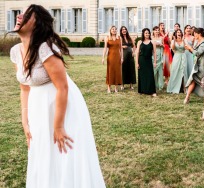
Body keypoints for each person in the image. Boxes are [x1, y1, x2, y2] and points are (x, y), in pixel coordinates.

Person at [9, 4, 106, 187]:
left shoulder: (45, 48)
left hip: (62, 107)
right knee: (43, 153)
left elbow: (63, 87)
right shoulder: (15, 52)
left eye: (27, 14)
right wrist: (25, 121)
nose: (20, 16)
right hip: (38, 108)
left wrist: (59, 126)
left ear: (37, 24)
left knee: (63, 154)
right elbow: (25, 88)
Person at [183, 28, 204, 104]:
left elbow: (198, 53)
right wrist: (189, 49)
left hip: (203, 65)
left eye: (195, 33)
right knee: (192, 79)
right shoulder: (197, 42)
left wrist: (190, 48)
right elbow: (194, 53)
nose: (194, 35)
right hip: (197, 64)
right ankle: (187, 97)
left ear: (199, 34)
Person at [136, 28, 157, 96]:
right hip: (141, 60)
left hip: (149, 60)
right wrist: (137, 63)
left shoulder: (152, 42)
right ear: (143, 34)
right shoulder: (139, 42)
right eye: (146, 33)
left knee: (150, 75)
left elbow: (154, 52)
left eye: (148, 33)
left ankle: (152, 91)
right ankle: (142, 90)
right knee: (142, 76)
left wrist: (155, 62)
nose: (147, 34)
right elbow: (137, 53)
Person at [102, 26, 123, 93]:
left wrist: (122, 57)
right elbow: (105, 48)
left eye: (115, 29)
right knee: (110, 71)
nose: (114, 30)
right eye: (113, 29)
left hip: (117, 57)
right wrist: (103, 58)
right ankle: (109, 87)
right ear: (110, 30)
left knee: (117, 71)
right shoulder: (107, 38)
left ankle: (116, 88)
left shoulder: (119, 38)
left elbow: (121, 49)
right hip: (110, 57)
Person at [167, 29, 187, 93]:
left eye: (180, 32)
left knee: (183, 72)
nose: (179, 33)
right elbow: (172, 48)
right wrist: (174, 40)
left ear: (181, 34)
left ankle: (184, 88)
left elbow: (186, 48)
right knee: (175, 71)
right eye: (178, 32)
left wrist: (183, 40)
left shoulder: (184, 40)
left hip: (183, 56)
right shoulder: (173, 41)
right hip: (176, 56)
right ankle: (173, 87)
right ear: (175, 34)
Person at [120, 26, 136, 90]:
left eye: (125, 29)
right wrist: (122, 46)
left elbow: (134, 46)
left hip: (130, 55)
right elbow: (118, 46)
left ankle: (131, 85)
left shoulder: (130, 37)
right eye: (123, 29)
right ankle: (122, 85)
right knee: (123, 69)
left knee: (131, 69)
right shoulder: (120, 38)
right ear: (121, 31)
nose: (124, 30)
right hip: (123, 54)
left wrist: (133, 52)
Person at [152, 26, 164, 90]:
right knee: (154, 70)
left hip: (160, 53)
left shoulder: (161, 38)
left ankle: (160, 85)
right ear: (153, 31)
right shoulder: (151, 38)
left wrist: (161, 45)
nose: (157, 31)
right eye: (155, 30)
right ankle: (154, 85)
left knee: (160, 71)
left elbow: (164, 46)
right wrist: (155, 44)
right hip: (153, 54)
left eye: (158, 30)